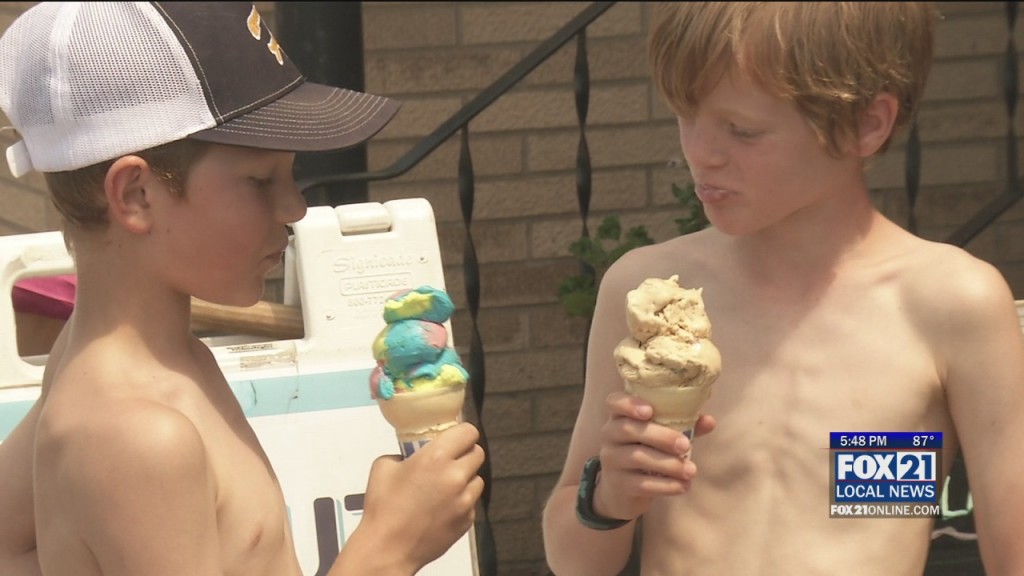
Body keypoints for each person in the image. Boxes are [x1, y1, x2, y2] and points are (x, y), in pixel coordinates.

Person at [0, 3, 484, 575]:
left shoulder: (113, 362)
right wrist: (390, 546)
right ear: (135, 195)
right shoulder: (134, 436)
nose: (295, 206)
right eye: (260, 180)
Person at [542, 3, 1024, 575]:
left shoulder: (949, 304)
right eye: (684, 116)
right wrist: (608, 500)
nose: (701, 152)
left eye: (743, 131)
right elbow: (574, 560)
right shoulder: (653, 296)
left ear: (867, 124)